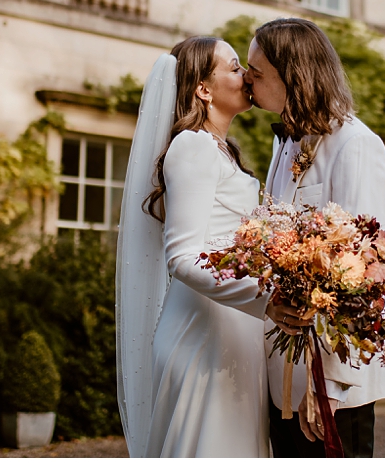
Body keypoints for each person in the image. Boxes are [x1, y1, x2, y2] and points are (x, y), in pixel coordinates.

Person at [115, 36, 306, 458]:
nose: (247, 76)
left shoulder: (222, 151)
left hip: (233, 334)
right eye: (235, 67)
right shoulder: (192, 147)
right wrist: (265, 297)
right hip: (203, 338)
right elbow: (182, 257)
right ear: (203, 88)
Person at [245, 17, 385, 458]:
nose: (248, 82)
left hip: (333, 386)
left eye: (258, 73)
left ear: (293, 75)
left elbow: (362, 272)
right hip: (283, 375)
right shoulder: (286, 143)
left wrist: (327, 387)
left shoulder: (356, 144)